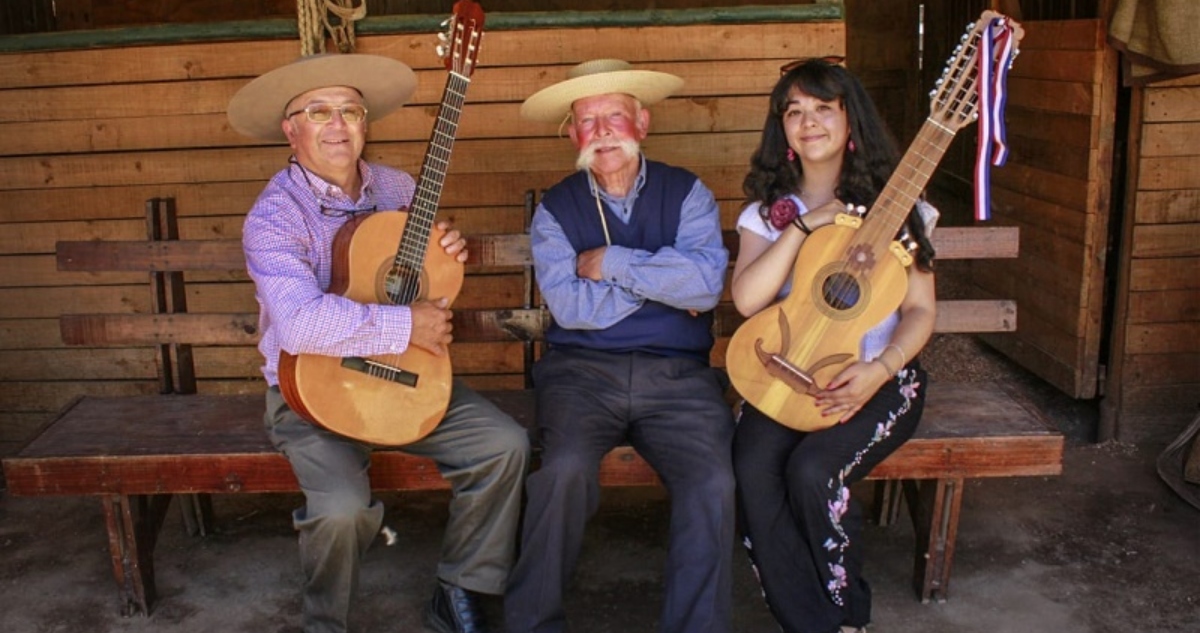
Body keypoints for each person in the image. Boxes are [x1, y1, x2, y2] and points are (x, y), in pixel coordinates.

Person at [227, 53, 530, 633]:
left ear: (365, 123)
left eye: (350, 110)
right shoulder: (273, 217)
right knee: (341, 510)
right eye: (319, 112)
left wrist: (447, 253)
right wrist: (404, 326)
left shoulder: (397, 186)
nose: (337, 125)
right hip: (311, 392)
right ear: (291, 130)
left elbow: (419, 276)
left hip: (405, 374)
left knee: (504, 444)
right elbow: (297, 324)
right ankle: (325, 624)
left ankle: (460, 586)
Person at [503, 59, 736, 633]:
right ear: (572, 135)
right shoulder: (555, 210)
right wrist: (665, 286)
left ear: (642, 122)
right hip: (581, 373)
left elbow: (706, 288)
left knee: (714, 482)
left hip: (680, 379)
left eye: (615, 116)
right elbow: (572, 309)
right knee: (561, 473)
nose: (602, 131)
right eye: (587, 121)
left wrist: (611, 263)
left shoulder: (689, 194)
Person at [729, 59, 939, 633]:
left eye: (824, 108)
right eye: (794, 111)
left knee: (814, 471)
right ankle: (814, 623)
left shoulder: (901, 211)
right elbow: (748, 300)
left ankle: (848, 618)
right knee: (749, 469)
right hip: (787, 372)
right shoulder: (768, 214)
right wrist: (804, 226)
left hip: (878, 377)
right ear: (782, 128)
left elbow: (920, 310)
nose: (808, 121)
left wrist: (881, 369)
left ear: (852, 120)